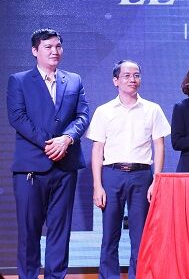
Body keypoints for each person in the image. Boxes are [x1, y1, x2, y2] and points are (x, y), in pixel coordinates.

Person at [7, 28, 90, 279]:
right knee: (29, 231)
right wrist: (50, 143)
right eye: (48, 47)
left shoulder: (74, 80)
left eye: (58, 46)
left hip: (65, 167)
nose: (55, 51)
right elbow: (17, 117)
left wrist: (67, 139)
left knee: (60, 231)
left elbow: (82, 115)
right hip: (31, 168)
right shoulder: (19, 80)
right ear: (35, 51)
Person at [87, 60, 170, 279]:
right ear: (115, 81)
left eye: (136, 75)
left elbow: (159, 146)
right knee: (109, 235)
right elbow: (97, 149)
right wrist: (97, 185)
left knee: (140, 236)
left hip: (142, 176)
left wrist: (156, 180)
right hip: (111, 175)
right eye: (126, 75)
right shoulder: (104, 111)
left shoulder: (152, 109)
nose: (132, 80)